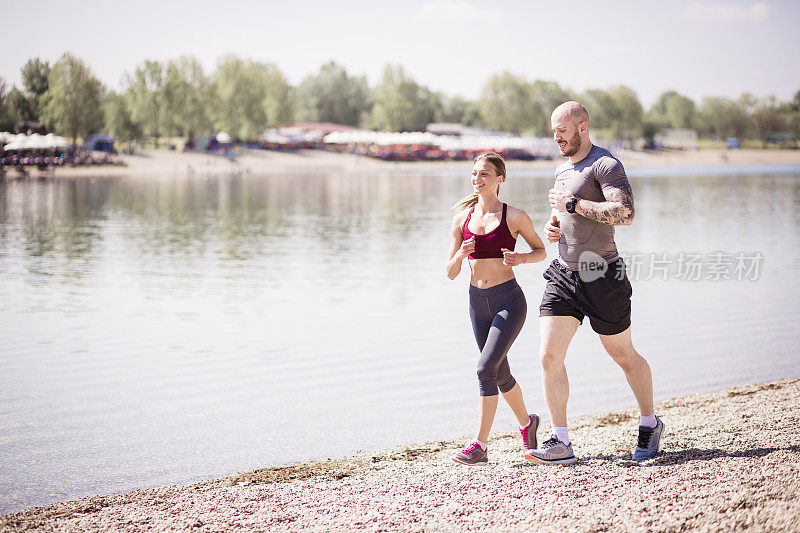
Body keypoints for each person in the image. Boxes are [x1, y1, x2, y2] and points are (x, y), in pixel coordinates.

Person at [524, 101, 664, 466]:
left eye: (562, 130)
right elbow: (560, 216)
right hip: (563, 273)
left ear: (582, 127)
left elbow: (625, 214)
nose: (556, 137)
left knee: (622, 355)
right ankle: (561, 440)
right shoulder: (560, 170)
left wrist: (573, 205)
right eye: (553, 130)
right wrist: (551, 227)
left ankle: (650, 423)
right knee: (548, 355)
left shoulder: (606, 164)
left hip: (603, 275)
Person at [446, 152, 547, 465]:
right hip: (477, 302)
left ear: (500, 179)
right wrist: (461, 255)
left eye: (485, 174)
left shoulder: (515, 217)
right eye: (475, 174)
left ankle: (480, 445)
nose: (478, 180)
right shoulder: (461, 219)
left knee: (484, 369)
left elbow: (541, 250)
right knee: (499, 372)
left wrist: (521, 259)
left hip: (508, 301)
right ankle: (527, 424)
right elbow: (449, 272)